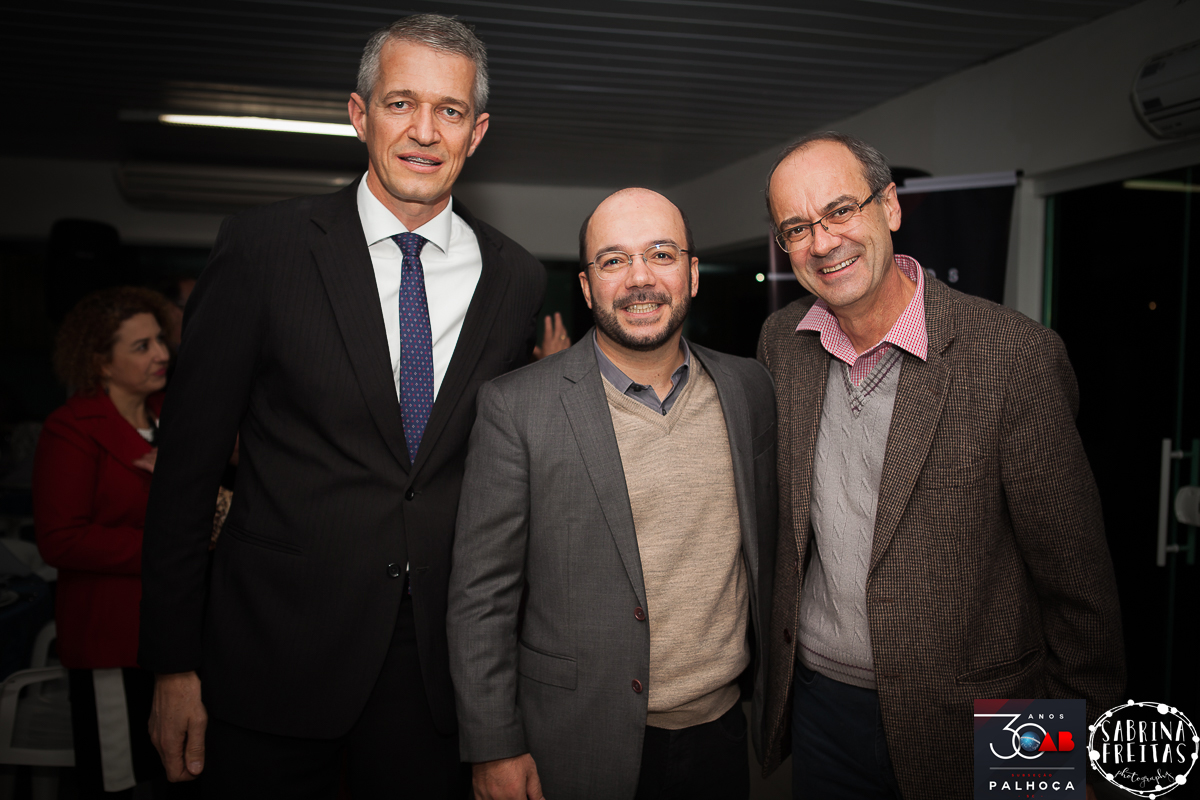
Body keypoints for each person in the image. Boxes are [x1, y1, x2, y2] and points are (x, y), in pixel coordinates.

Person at [138, 14, 546, 799]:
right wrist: (172, 664)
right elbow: (185, 473)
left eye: (450, 110)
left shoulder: (515, 278)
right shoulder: (264, 249)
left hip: (433, 672)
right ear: (360, 115)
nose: (424, 131)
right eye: (400, 103)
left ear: (477, 132)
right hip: (271, 656)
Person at [757, 132, 1124, 799]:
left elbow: (1077, 586)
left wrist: (1078, 760)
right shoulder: (782, 342)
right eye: (797, 228)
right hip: (822, 706)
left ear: (890, 206)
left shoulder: (1014, 358)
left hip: (984, 717)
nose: (823, 241)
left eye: (841, 210)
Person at [448, 188, 777, 800]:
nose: (640, 278)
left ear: (692, 274)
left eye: (661, 254)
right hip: (575, 738)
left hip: (722, 731)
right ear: (586, 286)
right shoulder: (516, 408)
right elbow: (480, 596)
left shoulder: (749, 388)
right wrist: (494, 744)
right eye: (614, 260)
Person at [32, 287, 194, 798]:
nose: (162, 354)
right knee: (121, 780)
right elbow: (61, 540)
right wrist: (173, 549)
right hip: (111, 634)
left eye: (161, 340)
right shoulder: (71, 428)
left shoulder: (173, 415)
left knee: (180, 770)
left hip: (178, 632)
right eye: (142, 347)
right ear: (101, 362)